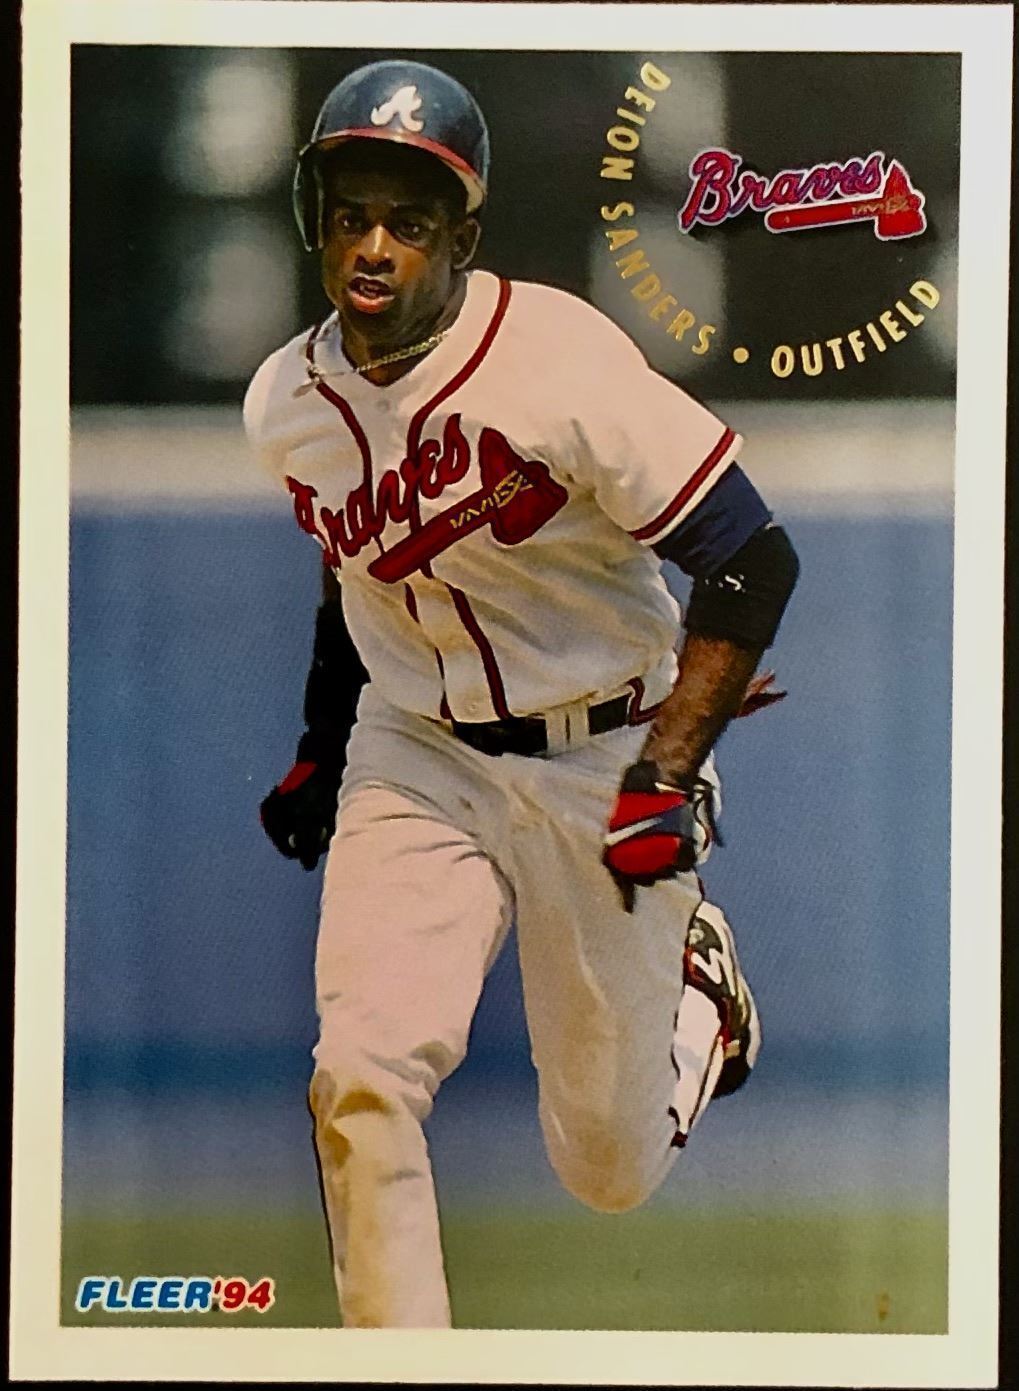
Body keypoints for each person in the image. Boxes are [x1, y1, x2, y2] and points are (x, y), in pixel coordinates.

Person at [243, 59, 799, 1329]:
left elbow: (750, 556)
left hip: (603, 748)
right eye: (350, 215)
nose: (373, 246)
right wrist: (320, 747)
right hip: (416, 751)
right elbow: (357, 568)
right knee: (361, 1071)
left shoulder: (555, 360)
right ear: (316, 222)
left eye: (408, 221)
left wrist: (666, 771)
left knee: (604, 1167)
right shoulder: (284, 402)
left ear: (461, 238)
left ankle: (701, 996)